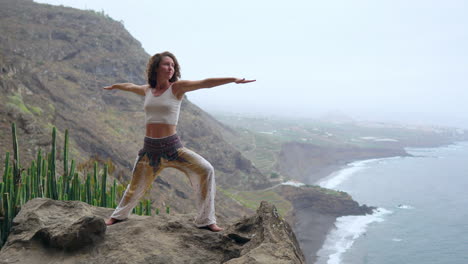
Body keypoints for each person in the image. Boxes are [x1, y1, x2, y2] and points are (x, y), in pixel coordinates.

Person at [102, 51, 255, 232]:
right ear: (156, 67)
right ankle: (117, 216)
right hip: (150, 151)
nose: (170, 68)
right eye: (167, 64)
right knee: (134, 188)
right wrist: (116, 86)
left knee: (206, 170)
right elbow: (130, 86)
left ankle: (206, 220)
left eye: (173, 65)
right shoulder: (147, 90)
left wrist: (233, 79)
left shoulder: (177, 88)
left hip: (173, 148)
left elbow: (205, 83)